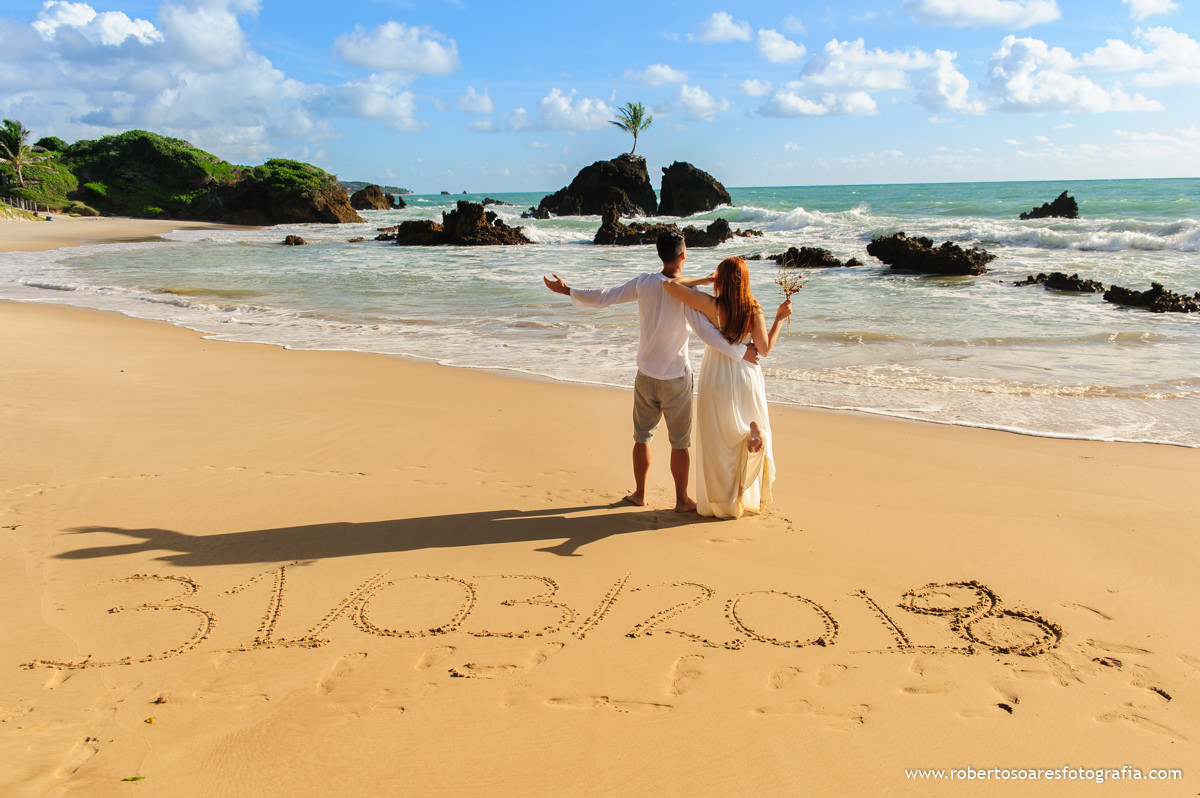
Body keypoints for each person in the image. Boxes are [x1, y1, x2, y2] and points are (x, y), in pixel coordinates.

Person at [543, 231, 758, 512]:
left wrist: (567, 290)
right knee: (679, 443)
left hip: (646, 374)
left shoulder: (644, 282)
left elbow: (605, 296)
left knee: (642, 437)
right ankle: (681, 500)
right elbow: (707, 333)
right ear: (683, 255)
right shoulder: (686, 294)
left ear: (660, 254)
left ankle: (640, 493)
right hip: (676, 378)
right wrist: (743, 353)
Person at [664, 256, 792, 519]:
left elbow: (672, 286)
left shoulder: (713, 305)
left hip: (717, 373)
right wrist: (779, 318)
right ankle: (752, 429)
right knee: (742, 426)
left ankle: (723, 502)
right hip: (748, 374)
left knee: (718, 439)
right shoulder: (755, 310)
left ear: (722, 279)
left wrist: (707, 279)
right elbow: (764, 349)